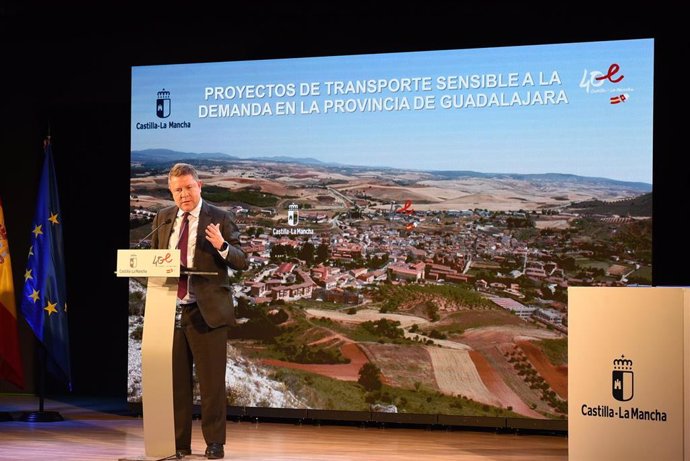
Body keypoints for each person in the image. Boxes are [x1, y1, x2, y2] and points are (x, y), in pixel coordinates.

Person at [151, 163, 248, 459]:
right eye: (177, 190)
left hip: (207, 313)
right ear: (171, 191)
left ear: (200, 186)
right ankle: (179, 444)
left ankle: (214, 443)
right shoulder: (163, 218)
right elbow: (155, 260)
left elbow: (242, 261)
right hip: (170, 311)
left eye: (189, 188)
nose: (184, 195)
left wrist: (221, 246)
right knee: (177, 385)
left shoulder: (220, 218)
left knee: (211, 385)